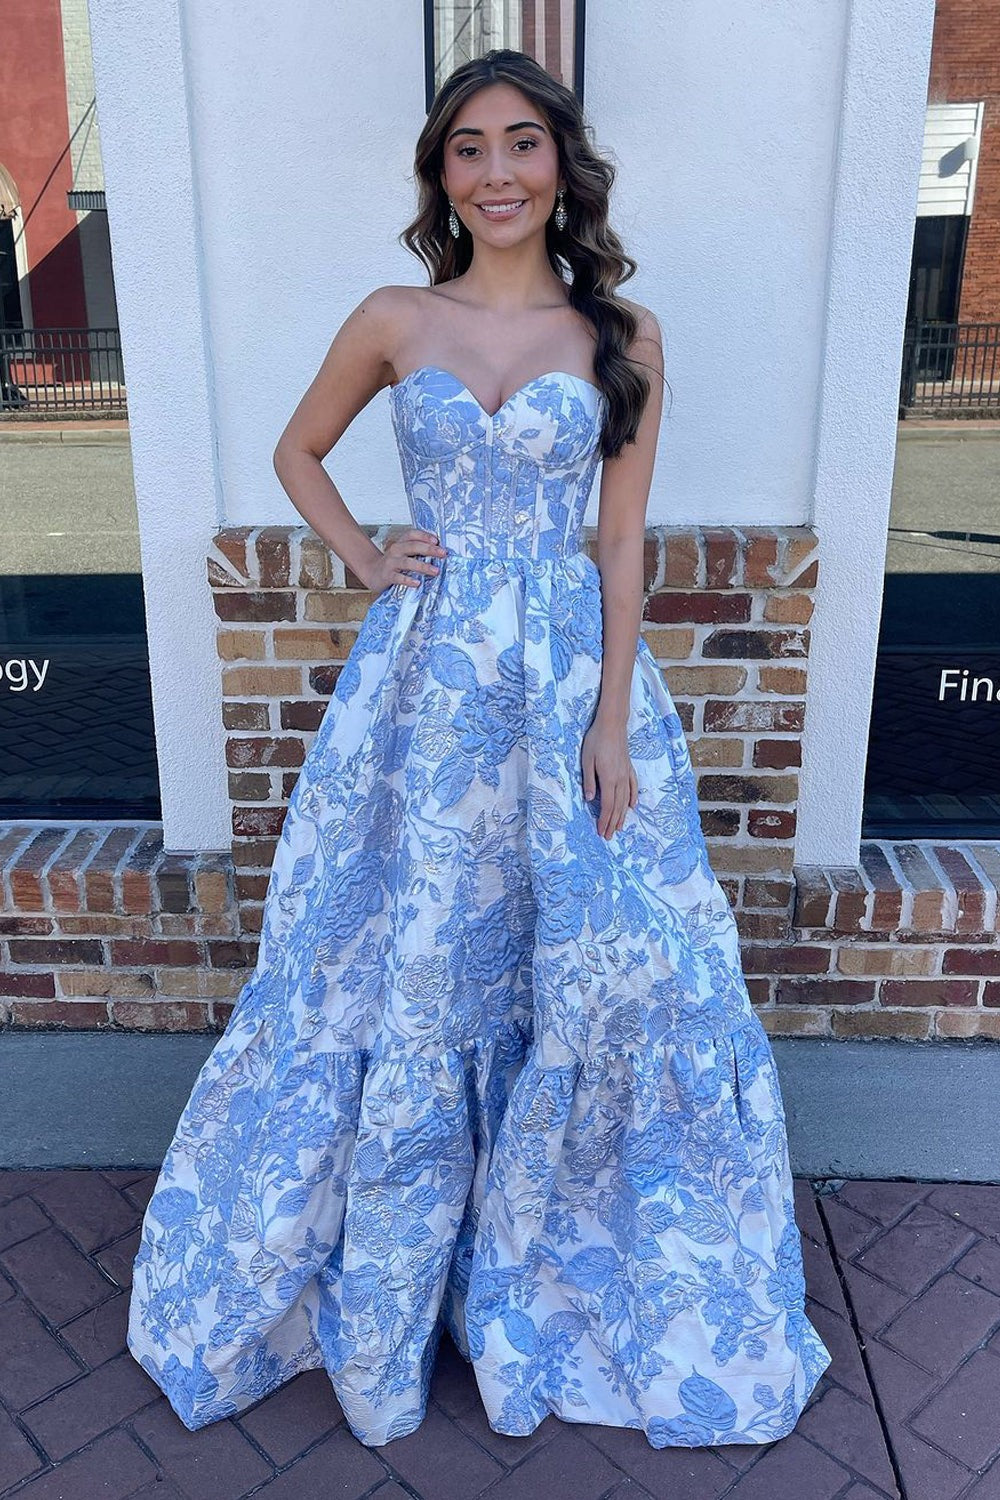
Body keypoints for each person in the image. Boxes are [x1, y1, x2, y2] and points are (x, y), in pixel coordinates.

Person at [127, 47, 833, 1451]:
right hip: (428, 694)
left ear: (561, 164)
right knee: (409, 960)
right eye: (468, 148)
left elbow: (621, 538)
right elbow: (297, 450)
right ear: (440, 175)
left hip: (566, 681)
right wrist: (364, 557)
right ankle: (394, 1290)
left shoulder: (621, 333)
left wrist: (613, 716)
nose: (496, 172)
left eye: (521, 143)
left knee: (602, 961)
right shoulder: (396, 316)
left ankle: (540, 1270)